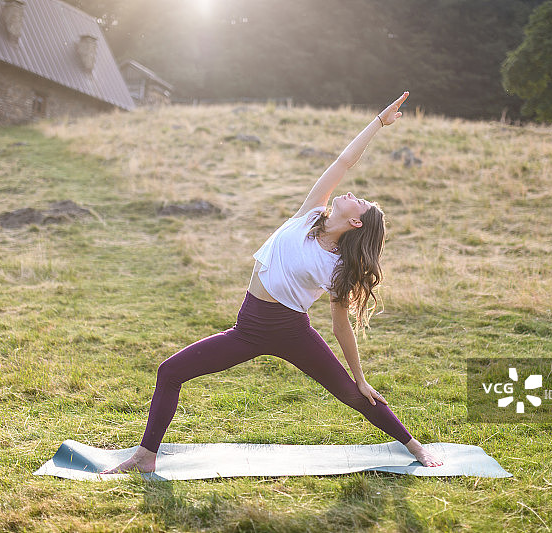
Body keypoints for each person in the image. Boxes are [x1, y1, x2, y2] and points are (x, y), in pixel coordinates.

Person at [101, 92, 442, 474]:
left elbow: (340, 325)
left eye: (359, 201)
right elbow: (345, 161)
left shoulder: (336, 268)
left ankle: (414, 445)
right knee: (170, 371)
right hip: (247, 330)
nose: (352, 193)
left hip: (291, 332)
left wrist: (360, 377)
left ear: (356, 223)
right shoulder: (310, 213)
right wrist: (378, 122)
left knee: (352, 394)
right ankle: (146, 457)